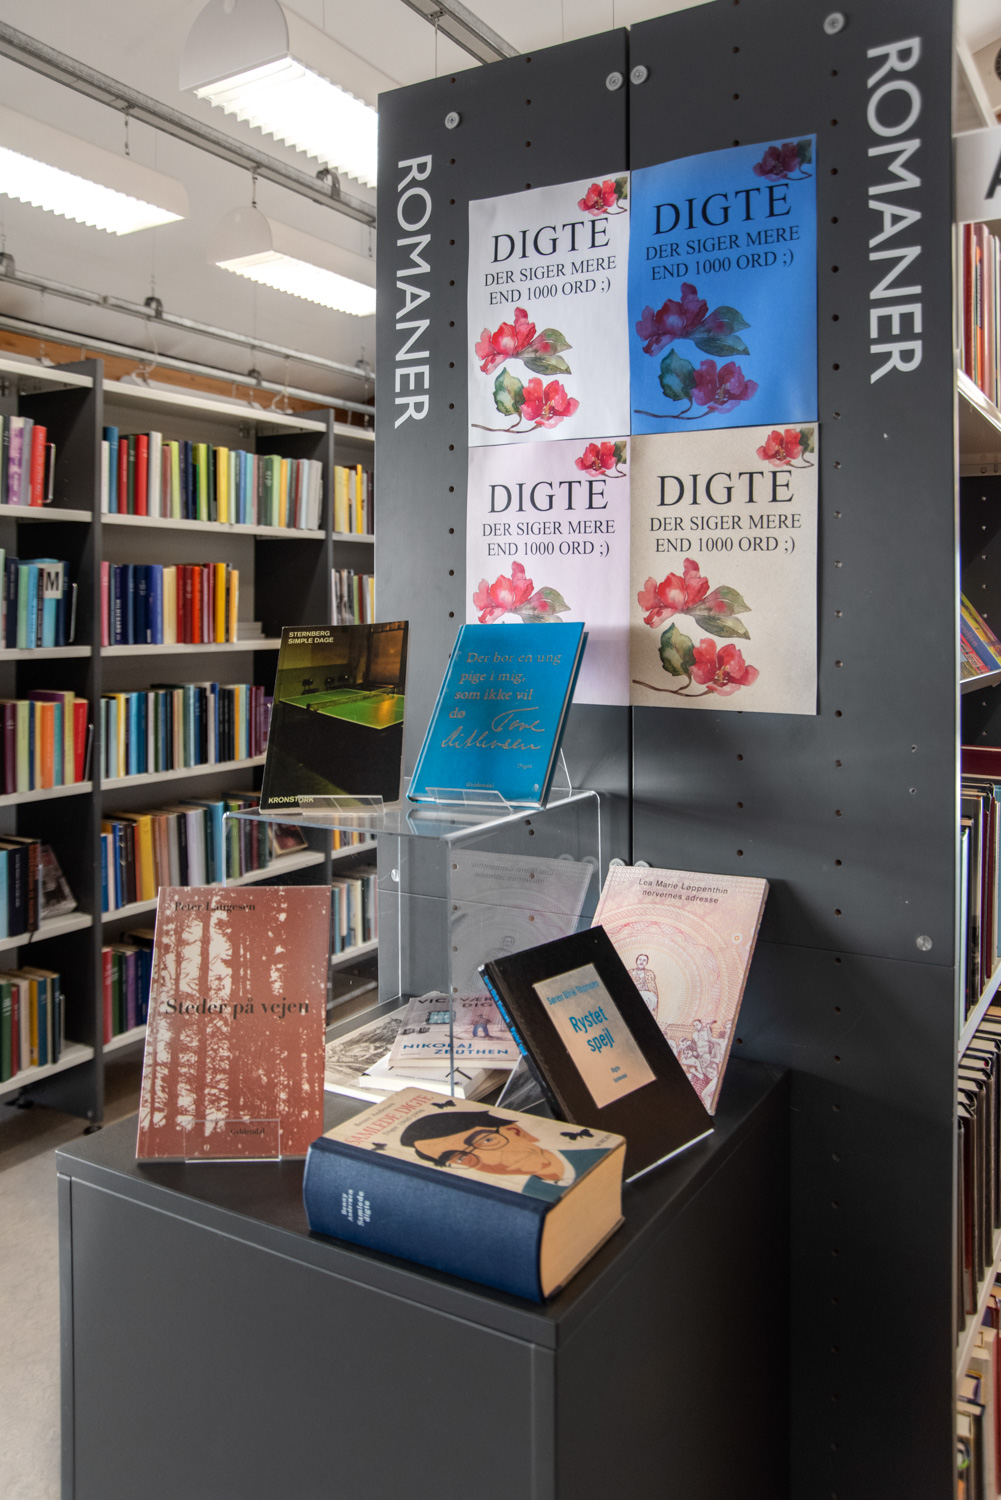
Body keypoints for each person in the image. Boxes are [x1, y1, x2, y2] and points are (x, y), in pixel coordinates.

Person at [399, 1109, 607, 1202]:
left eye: (487, 1140)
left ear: (515, 1131)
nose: (491, 1161)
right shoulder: (526, 1199)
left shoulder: (603, 1153)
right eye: (459, 1158)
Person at [628, 952, 659, 1019]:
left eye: (644, 960)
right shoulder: (630, 972)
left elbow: (653, 990)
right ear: (636, 961)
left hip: (646, 997)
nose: (641, 962)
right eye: (640, 959)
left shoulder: (649, 973)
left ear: (646, 963)